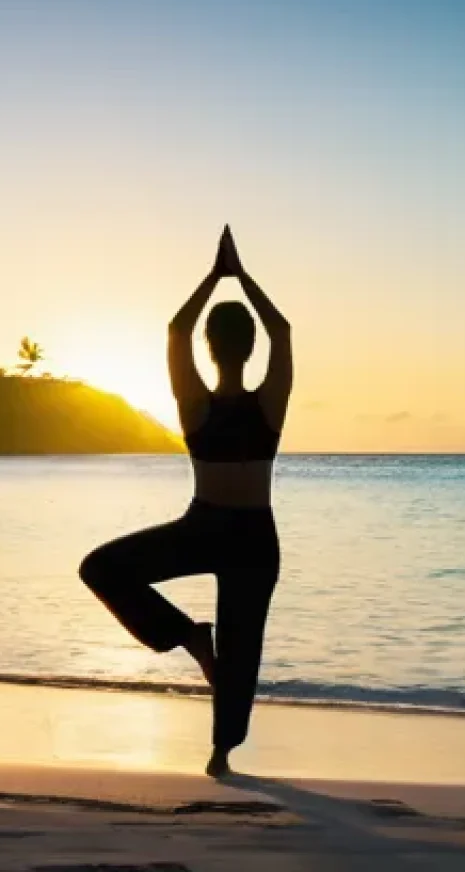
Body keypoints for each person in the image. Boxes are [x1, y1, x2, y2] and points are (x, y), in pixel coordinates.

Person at [79, 226, 292, 777]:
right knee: (238, 652)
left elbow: (178, 329)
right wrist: (240, 277)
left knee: (101, 569)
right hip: (243, 532)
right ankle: (200, 666)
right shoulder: (270, 403)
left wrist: (214, 277)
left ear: (211, 348)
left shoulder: (195, 404)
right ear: (248, 348)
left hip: (216, 529)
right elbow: (282, 329)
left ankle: (211, 713)